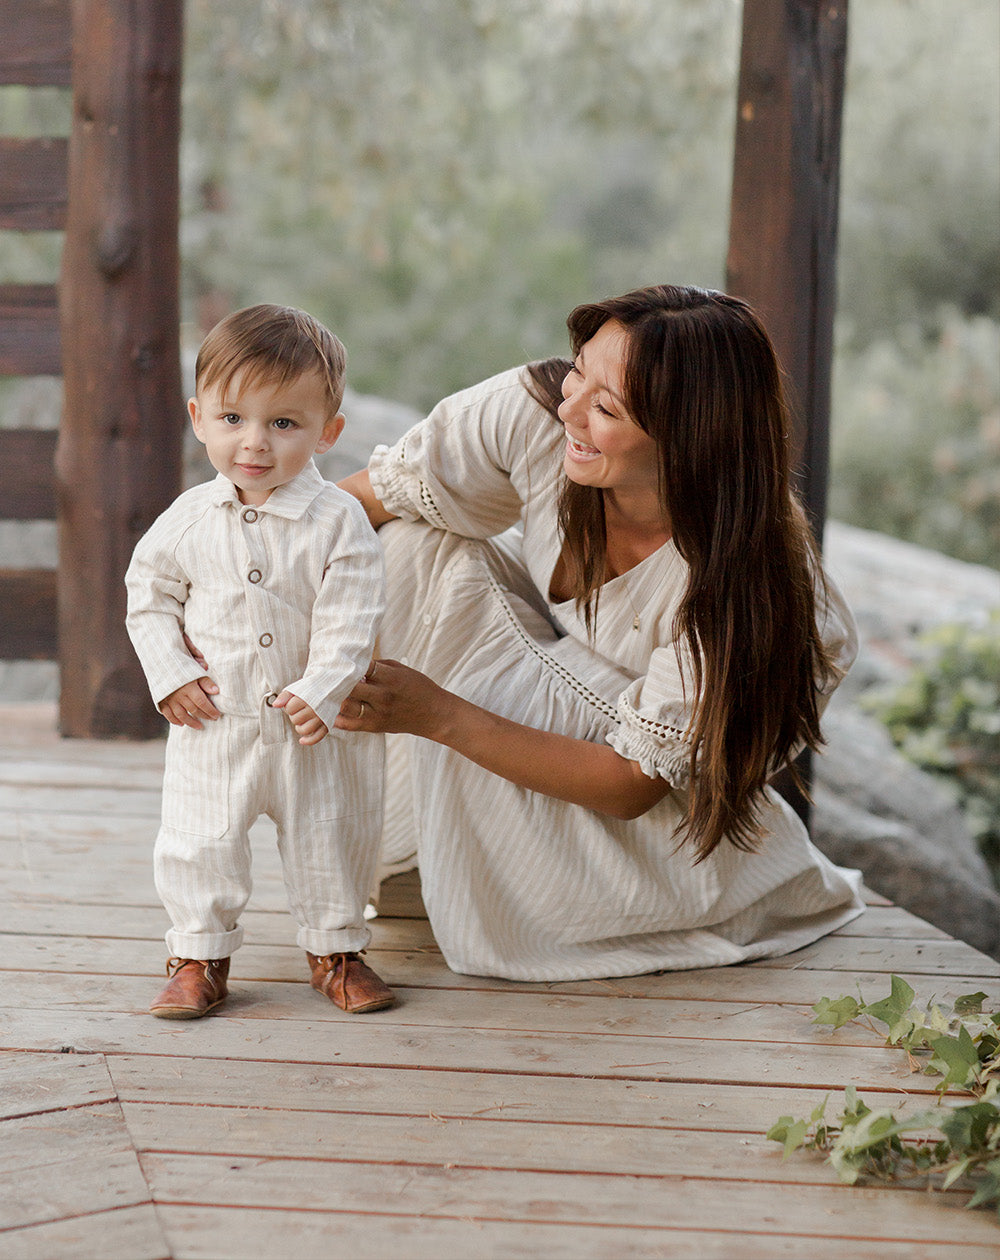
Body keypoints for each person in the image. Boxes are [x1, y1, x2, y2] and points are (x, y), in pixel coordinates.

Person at [334, 284, 864, 982]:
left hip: (650, 811)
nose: (570, 410)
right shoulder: (538, 413)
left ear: (689, 437)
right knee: (406, 543)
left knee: (494, 669)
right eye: (580, 370)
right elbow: (358, 502)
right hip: (559, 687)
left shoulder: (747, 586)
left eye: (606, 407)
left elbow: (633, 783)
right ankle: (411, 847)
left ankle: (532, 887)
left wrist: (435, 714)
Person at [125, 304, 395, 1018]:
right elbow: (146, 597)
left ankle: (337, 950)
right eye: (234, 418)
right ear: (199, 417)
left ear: (327, 432)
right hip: (217, 720)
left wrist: (325, 686)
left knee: (331, 833)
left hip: (314, 724)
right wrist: (172, 675)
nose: (255, 442)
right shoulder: (185, 519)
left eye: (284, 423)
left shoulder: (338, 519)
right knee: (198, 838)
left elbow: (353, 612)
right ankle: (198, 954)